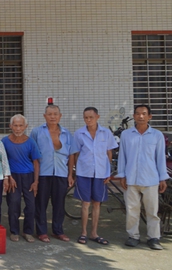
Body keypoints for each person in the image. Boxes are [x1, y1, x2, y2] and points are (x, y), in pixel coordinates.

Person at [118, 104, 169, 250]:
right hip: (131, 178)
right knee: (132, 210)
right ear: (134, 116)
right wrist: (122, 175)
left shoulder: (157, 135)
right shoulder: (126, 134)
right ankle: (133, 236)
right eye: (138, 113)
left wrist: (162, 178)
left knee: (152, 211)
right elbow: (122, 156)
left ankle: (154, 238)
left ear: (149, 116)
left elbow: (160, 158)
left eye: (144, 113)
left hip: (150, 179)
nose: (141, 116)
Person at [30, 105, 77, 243]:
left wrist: (70, 174)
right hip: (43, 173)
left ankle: (58, 231)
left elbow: (71, 155)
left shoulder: (66, 133)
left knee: (59, 203)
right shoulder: (37, 132)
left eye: (55, 114)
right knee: (41, 203)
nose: (52, 117)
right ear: (44, 116)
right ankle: (41, 232)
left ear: (60, 116)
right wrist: (35, 178)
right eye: (49, 114)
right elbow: (32, 154)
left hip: (61, 173)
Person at [71, 106, 117, 246]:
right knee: (85, 203)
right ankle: (84, 232)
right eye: (86, 117)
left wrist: (108, 172)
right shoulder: (79, 133)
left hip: (101, 173)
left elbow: (109, 153)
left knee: (97, 203)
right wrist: (74, 172)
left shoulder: (106, 133)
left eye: (91, 117)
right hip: (84, 173)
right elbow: (75, 154)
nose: (88, 120)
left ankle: (94, 233)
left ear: (97, 117)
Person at [3, 114, 41, 243]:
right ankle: (14, 231)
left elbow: (36, 162)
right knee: (14, 204)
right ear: (10, 126)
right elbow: (3, 161)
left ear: (26, 126)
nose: (18, 128)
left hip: (28, 176)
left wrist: (36, 181)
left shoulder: (30, 142)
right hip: (13, 176)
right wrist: (8, 177)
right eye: (15, 125)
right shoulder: (5, 141)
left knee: (31, 205)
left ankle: (28, 231)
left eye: (20, 125)